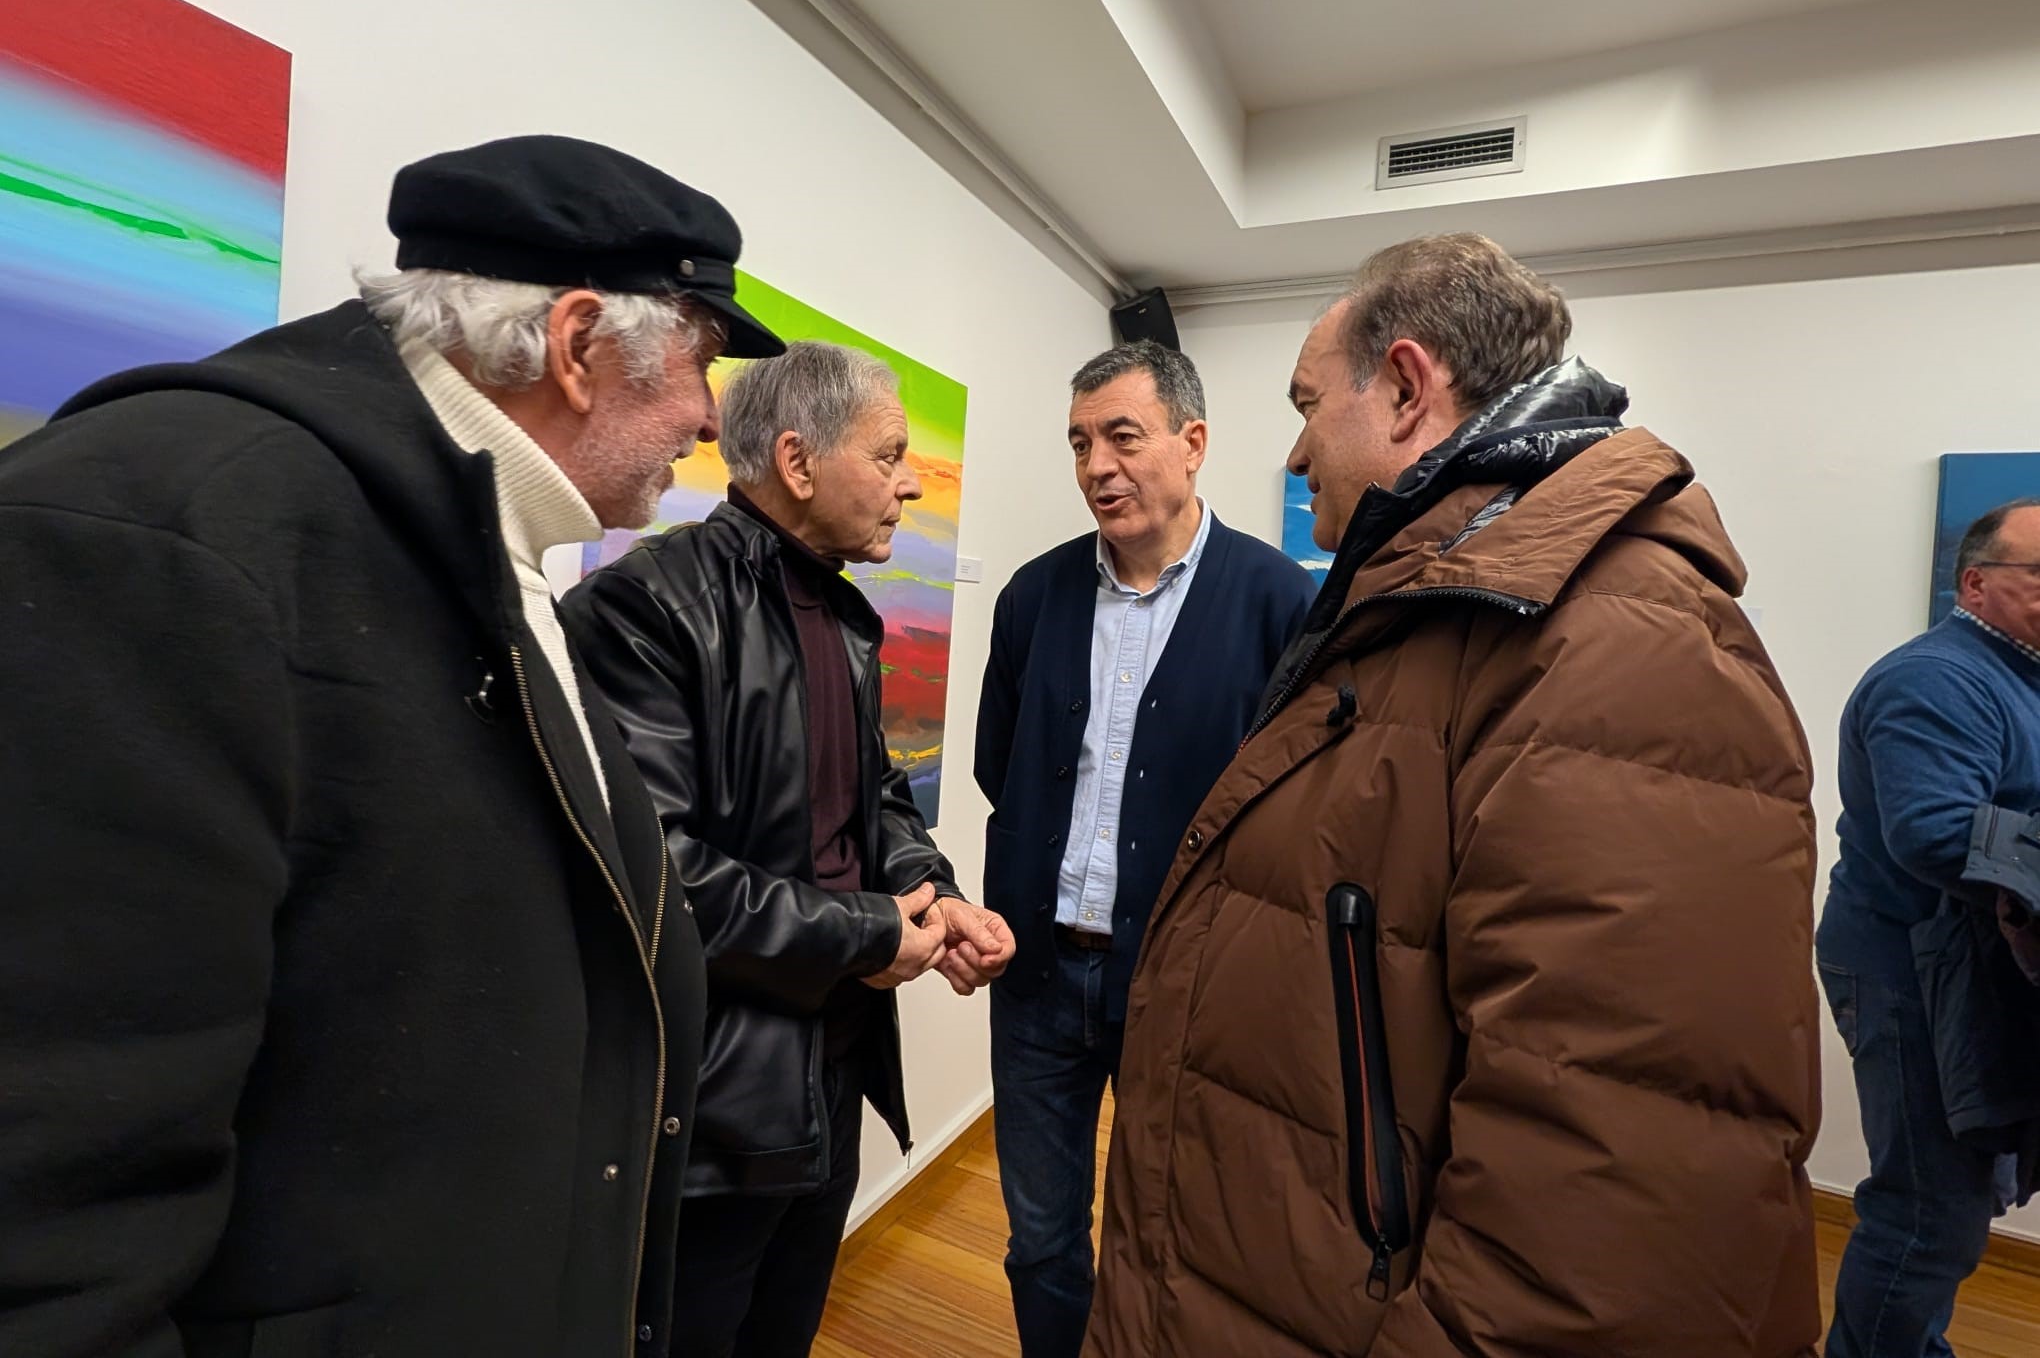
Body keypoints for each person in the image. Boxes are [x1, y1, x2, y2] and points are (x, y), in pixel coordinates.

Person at [0, 134, 785, 1357]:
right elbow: (52, 1198)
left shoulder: (479, 537)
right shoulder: (161, 534)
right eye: (701, 360)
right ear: (581, 345)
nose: (705, 414)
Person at [1085, 233, 1823, 1357]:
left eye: (1307, 405)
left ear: (1406, 389)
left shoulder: (1619, 645)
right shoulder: (1434, 611)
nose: (1295, 453)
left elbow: (1608, 1212)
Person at [562, 339, 1016, 1358]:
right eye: (890, 455)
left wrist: (933, 891)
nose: (912, 483)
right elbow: (654, 874)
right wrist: (866, 934)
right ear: (799, 463)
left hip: (831, 1073)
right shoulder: (645, 608)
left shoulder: (844, 614)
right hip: (715, 1107)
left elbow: (873, 796)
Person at [974, 341, 1314, 1356]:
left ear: (1192, 442)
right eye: (1080, 444)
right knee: (1040, 1239)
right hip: (1036, 977)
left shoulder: (1278, 602)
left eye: (1122, 437)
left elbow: (1291, 809)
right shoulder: (1033, 596)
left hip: (1182, 986)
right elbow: (1003, 764)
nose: (1097, 467)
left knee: (1168, 1232)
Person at [1819, 500, 2040, 1358]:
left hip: (1973, 964)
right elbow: (1939, 834)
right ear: (1976, 583)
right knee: (1928, 1214)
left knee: (1959, 1198)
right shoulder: (1936, 680)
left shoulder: (2017, 674)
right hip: (1908, 967)